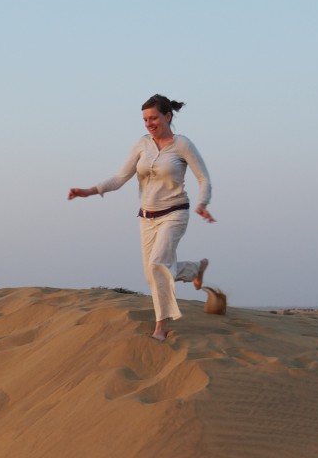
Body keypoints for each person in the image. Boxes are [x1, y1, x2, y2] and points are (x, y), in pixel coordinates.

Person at [68, 93, 216, 341]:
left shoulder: (182, 145)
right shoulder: (142, 144)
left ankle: (161, 326)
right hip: (146, 218)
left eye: (154, 118)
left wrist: (202, 203)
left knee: (157, 265)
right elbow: (120, 178)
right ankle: (194, 269)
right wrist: (89, 191)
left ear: (167, 116)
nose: (149, 123)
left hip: (174, 213)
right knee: (152, 274)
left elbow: (204, 178)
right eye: (145, 119)